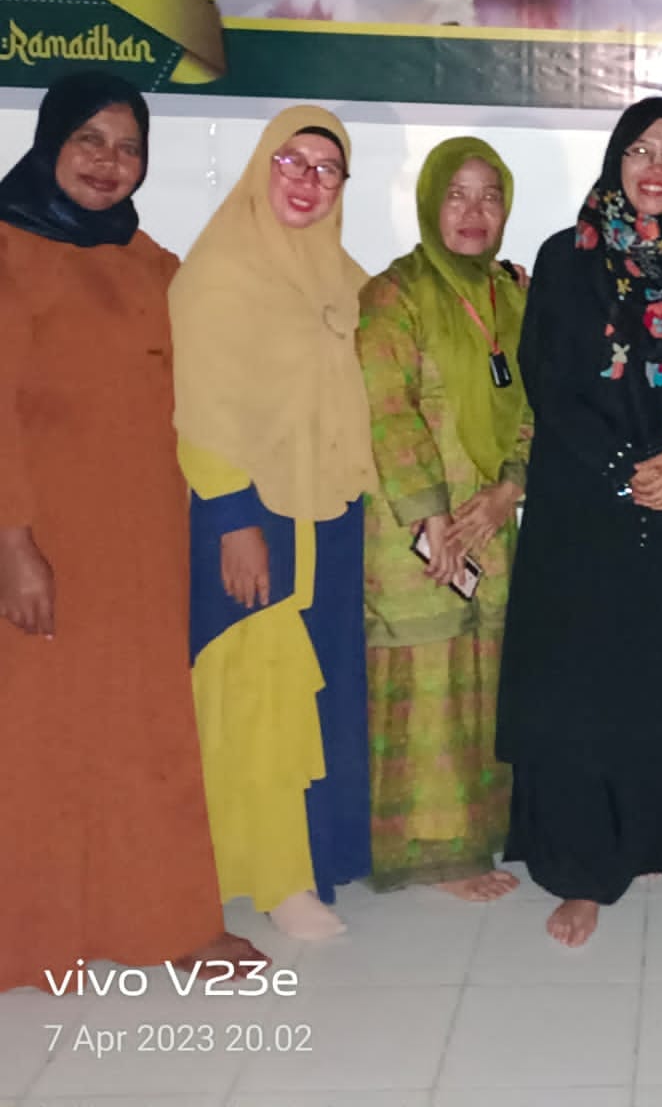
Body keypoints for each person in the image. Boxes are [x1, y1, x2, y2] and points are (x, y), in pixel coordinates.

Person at [0, 73, 261, 990]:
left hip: (145, 542)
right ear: (50, 142)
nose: (110, 163)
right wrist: (13, 545)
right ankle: (33, 939)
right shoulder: (8, 251)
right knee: (39, 735)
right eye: (90, 140)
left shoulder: (148, 260)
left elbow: (217, 364)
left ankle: (166, 921)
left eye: (129, 147)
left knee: (148, 729)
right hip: (47, 542)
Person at [497, 97, 662, 948]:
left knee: (650, 678)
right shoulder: (568, 256)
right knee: (579, 687)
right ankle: (579, 869)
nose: (655, 167)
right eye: (640, 149)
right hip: (582, 502)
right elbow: (549, 380)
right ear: (615, 160)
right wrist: (621, 470)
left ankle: (643, 839)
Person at [172, 106, 375, 941]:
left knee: (317, 693)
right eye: (292, 161)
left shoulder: (342, 275)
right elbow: (202, 407)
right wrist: (233, 517)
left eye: (327, 169)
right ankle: (277, 878)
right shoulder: (218, 272)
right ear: (262, 164)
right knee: (262, 697)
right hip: (255, 516)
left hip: (329, 514)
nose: (307, 181)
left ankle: (316, 856)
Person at [359, 138, 531, 900]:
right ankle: (432, 849)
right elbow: (386, 408)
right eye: (456, 194)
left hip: (490, 517)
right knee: (428, 678)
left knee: (483, 675)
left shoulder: (511, 296)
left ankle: (478, 831)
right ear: (430, 201)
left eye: (489, 195)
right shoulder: (392, 294)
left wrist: (508, 490)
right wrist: (429, 515)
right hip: (413, 522)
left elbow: (535, 402)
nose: (473, 211)